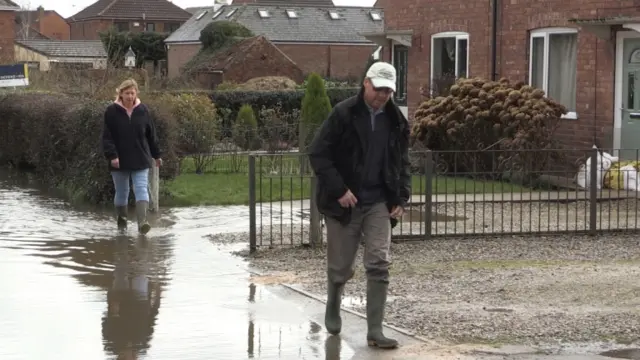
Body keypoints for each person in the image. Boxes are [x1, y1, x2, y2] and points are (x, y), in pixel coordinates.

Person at [308, 61, 411, 349]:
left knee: (379, 262)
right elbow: (318, 154)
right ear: (366, 83)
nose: (383, 96)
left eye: (388, 91)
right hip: (346, 203)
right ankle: (333, 301)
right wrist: (339, 190)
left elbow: (402, 162)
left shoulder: (396, 121)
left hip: (379, 201)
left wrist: (401, 197)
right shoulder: (343, 114)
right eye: (379, 89)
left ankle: (375, 331)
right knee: (341, 266)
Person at [101, 79, 162, 234]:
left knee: (141, 188)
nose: (130, 96)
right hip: (119, 159)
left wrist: (157, 155)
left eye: (132, 93)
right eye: (127, 93)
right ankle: (122, 220)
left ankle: (142, 222)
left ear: (136, 94)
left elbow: (151, 135)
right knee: (122, 191)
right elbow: (107, 137)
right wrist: (112, 156)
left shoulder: (143, 110)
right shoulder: (111, 111)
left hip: (141, 157)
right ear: (120, 94)